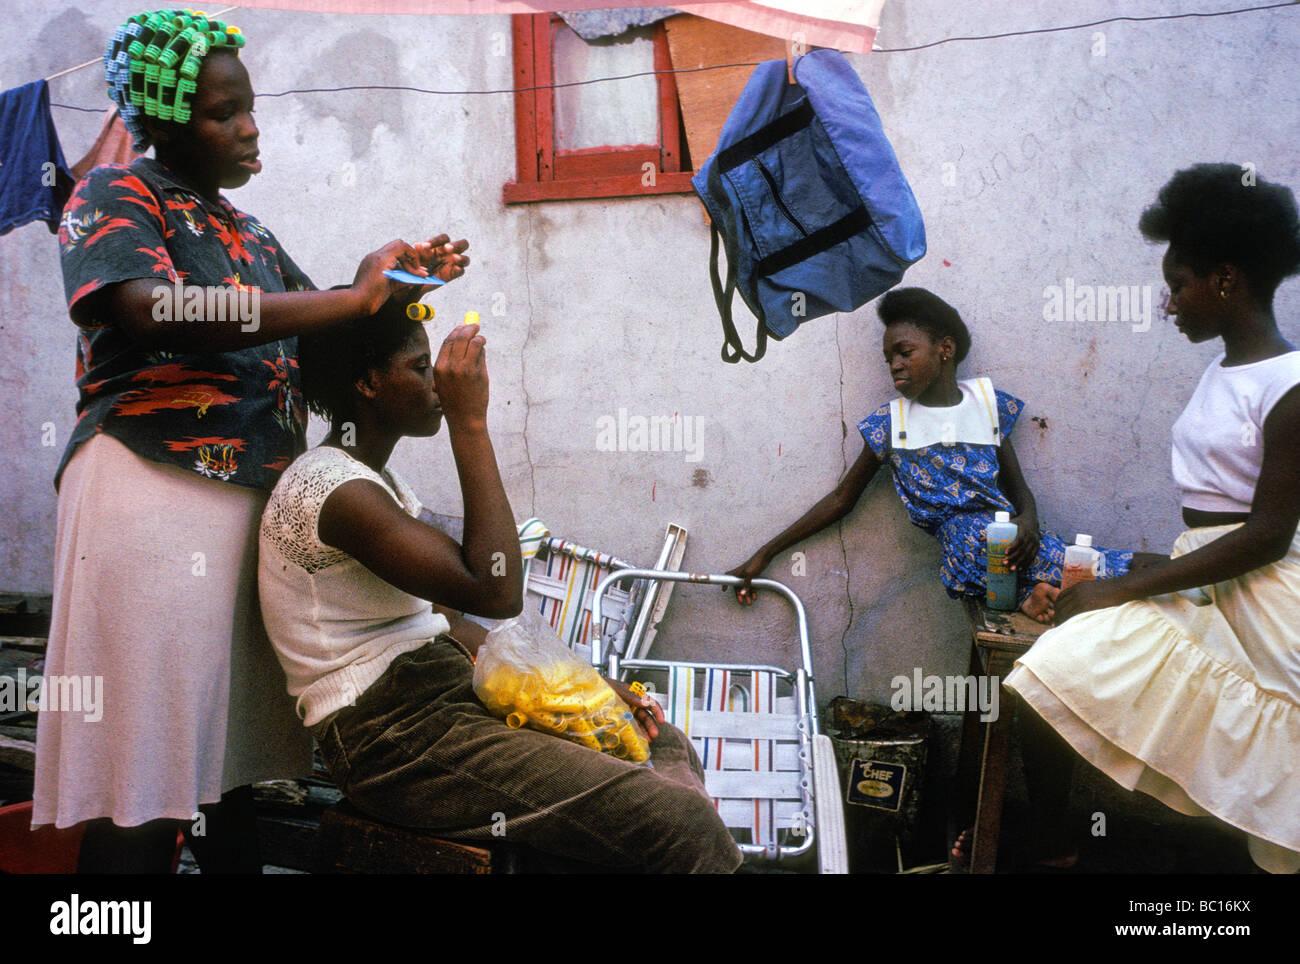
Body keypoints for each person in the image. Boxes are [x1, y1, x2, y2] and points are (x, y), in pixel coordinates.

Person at [36, 9, 467, 873]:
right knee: (147, 778)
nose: (248, 126)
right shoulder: (117, 197)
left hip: (253, 508)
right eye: (221, 112)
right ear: (159, 120)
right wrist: (351, 300)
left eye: (248, 107)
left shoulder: (246, 233)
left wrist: (389, 286)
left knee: (224, 768)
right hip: (155, 492)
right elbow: (150, 309)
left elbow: (322, 341)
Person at [257, 298, 743, 873]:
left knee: (662, 743)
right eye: (419, 367)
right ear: (366, 382)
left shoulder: (379, 484)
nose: (438, 378)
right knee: (679, 822)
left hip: (444, 698)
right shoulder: (331, 489)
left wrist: (587, 687)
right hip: (394, 739)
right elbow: (495, 591)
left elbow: (455, 621)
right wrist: (470, 422)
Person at [1005, 164, 1300, 873]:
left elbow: (1265, 535)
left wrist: (1124, 588)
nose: (1169, 305)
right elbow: (1212, 526)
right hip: (1217, 586)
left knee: (1280, 809)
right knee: (1051, 674)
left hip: (1268, 603)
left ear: (1226, 279)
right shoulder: (1221, 372)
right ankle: (1055, 850)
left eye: (1179, 285)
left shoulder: (1291, 386)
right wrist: (1130, 574)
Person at [728, 287, 1142, 621]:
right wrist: (765, 553)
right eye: (888, 358)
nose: (894, 365)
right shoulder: (891, 424)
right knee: (970, 543)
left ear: (945, 349)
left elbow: (1020, 491)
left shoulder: (986, 405)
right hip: (967, 550)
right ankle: (1028, 599)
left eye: (904, 352)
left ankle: (1192, 573)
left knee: (1102, 567)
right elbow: (841, 500)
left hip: (1014, 541)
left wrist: (1029, 523)